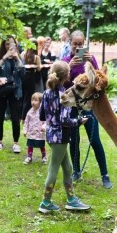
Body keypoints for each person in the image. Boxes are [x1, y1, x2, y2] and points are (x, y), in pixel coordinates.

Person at [38, 61, 90, 213]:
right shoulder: (64, 95)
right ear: (66, 75)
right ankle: (45, 202)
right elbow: (65, 120)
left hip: (51, 135)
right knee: (53, 168)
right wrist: (80, 121)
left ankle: (71, 200)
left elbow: (42, 115)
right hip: (61, 137)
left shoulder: (46, 93)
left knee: (68, 168)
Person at [63, 30, 112, 188]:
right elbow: (63, 83)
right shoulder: (65, 61)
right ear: (70, 44)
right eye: (75, 44)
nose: (78, 47)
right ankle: (76, 171)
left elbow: (97, 80)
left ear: (84, 44)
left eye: (80, 44)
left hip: (87, 106)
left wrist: (93, 63)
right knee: (74, 140)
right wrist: (69, 67)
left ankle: (105, 175)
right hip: (72, 106)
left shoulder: (90, 60)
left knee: (95, 140)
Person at [0, 36, 24, 153]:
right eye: (7, 44)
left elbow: (22, 74)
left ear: (16, 45)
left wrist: (18, 60)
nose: (10, 47)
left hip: (15, 91)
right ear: (3, 45)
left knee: (15, 118)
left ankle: (16, 143)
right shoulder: (0, 57)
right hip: (2, 90)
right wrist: (4, 58)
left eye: (12, 44)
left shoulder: (18, 58)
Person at [22, 92, 47, 164]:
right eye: (32, 100)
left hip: (40, 133)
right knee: (30, 145)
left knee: (41, 145)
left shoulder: (42, 112)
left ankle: (44, 156)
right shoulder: (30, 112)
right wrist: (25, 130)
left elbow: (46, 121)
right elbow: (26, 122)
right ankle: (29, 157)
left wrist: (44, 127)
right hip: (31, 132)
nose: (33, 102)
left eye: (36, 100)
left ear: (41, 102)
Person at [20, 43, 42, 118]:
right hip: (31, 78)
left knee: (22, 97)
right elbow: (39, 69)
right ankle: (24, 116)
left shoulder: (23, 54)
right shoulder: (36, 57)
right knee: (28, 98)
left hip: (23, 77)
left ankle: (19, 115)